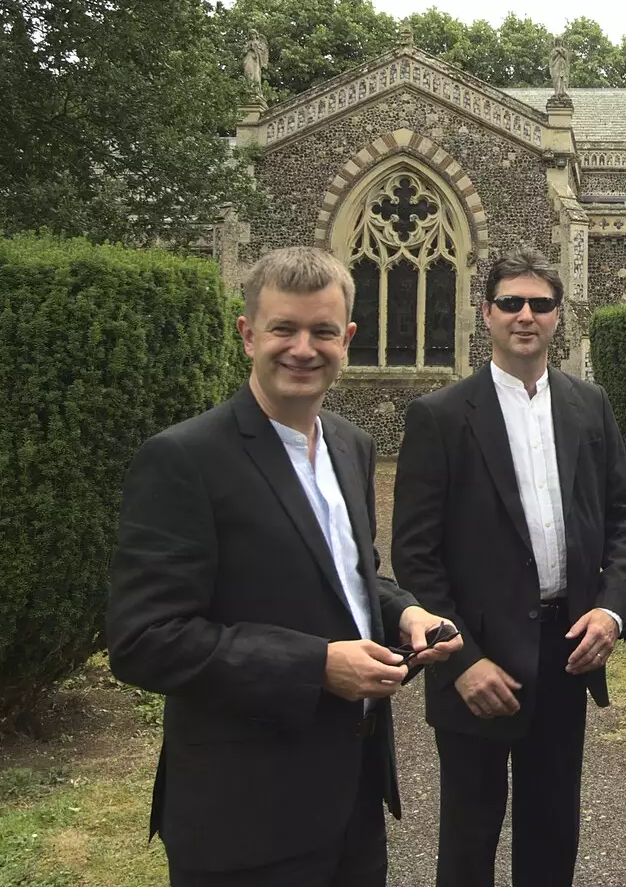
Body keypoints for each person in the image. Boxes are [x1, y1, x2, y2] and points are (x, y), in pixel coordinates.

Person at [107, 246, 463, 887]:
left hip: (353, 806)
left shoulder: (352, 446)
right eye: (284, 329)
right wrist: (317, 666)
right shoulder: (184, 460)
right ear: (248, 334)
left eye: (323, 331)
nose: (304, 348)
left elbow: (349, 577)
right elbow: (144, 641)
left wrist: (403, 610)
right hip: (244, 818)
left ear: (348, 338)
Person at [391, 248, 626, 887]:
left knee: (553, 827)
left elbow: (622, 517)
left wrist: (611, 610)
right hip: (479, 658)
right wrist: (462, 659)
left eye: (541, 304)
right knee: (470, 835)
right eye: (511, 303)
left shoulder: (590, 405)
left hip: (567, 648)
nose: (525, 315)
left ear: (560, 317)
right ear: (486, 313)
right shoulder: (441, 416)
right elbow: (415, 556)